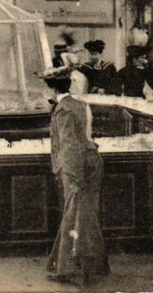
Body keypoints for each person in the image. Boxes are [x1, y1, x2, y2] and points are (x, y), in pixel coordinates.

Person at [38, 65, 108, 286]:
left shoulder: (63, 110)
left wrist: (73, 178)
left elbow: (70, 146)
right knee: (85, 213)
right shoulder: (81, 104)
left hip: (77, 166)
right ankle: (95, 264)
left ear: (52, 90)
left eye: (46, 89)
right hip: (93, 161)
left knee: (74, 214)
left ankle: (69, 268)